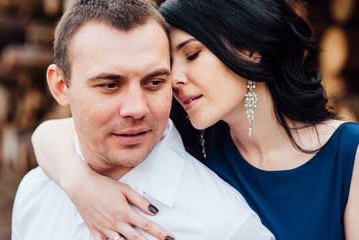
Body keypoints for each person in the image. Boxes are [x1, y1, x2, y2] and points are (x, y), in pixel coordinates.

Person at [28, 0, 359, 239]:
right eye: (170, 64)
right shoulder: (190, 135)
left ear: (250, 51)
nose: (174, 79)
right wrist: (80, 185)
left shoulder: (348, 154)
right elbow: (56, 132)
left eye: (192, 54)